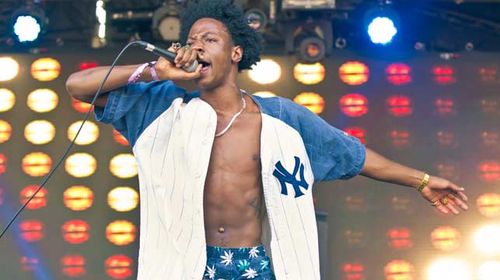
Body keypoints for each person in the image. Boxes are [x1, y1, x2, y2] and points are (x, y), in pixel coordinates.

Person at [65, 0, 468, 279]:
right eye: (191, 40)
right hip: (182, 266)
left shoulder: (279, 117)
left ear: (236, 52)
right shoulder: (160, 108)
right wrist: (155, 71)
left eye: (209, 39)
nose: (196, 46)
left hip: (255, 265)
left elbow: (354, 155)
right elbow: (78, 86)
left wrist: (421, 180)